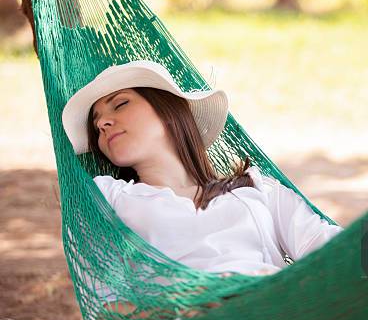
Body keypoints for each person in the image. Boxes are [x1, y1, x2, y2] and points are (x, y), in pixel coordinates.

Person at [61, 60, 343, 283]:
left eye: (120, 104)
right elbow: (106, 307)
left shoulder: (257, 189)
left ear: (169, 111)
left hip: (275, 311)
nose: (104, 124)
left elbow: (332, 248)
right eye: (96, 124)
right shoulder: (109, 198)